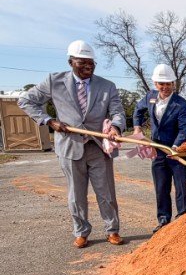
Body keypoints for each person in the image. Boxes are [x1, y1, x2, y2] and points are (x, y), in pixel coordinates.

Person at [18, 40, 125, 248]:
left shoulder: (107, 86)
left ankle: (112, 230)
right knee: (76, 195)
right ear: (70, 62)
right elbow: (26, 101)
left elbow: (117, 111)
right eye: (82, 62)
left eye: (91, 63)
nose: (88, 67)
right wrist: (49, 121)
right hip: (70, 146)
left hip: (98, 147)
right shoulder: (54, 81)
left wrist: (116, 127)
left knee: (106, 192)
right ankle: (81, 232)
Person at [133, 64, 186, 232]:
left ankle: (183, 221)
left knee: (181, 187)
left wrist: (175, 147)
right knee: (161, 186)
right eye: (161, 84)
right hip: (157, 149)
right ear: (155, 83)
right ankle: (164, 219)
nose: (165, 87)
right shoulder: (150, 97)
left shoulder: (181, 104)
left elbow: (185, 128)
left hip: (178, 150)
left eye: (168, 83)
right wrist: (137, 127)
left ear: (173, 83)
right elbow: (138, 110)